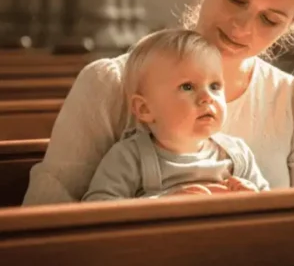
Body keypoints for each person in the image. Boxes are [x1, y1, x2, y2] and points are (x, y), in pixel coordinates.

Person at [23, 0, 294, 205]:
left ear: (290, 26)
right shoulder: (110, 85)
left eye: (270, 20)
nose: (242, 26)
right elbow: (46, 213)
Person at [83, 29, 269, 201]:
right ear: (145, 109)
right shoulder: (130, 157)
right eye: (187, 87)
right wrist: (164, 203)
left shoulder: (237, 154)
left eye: (214, 86)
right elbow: (96, 207)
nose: (207, 97)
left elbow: (272, 208)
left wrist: (253, 197)